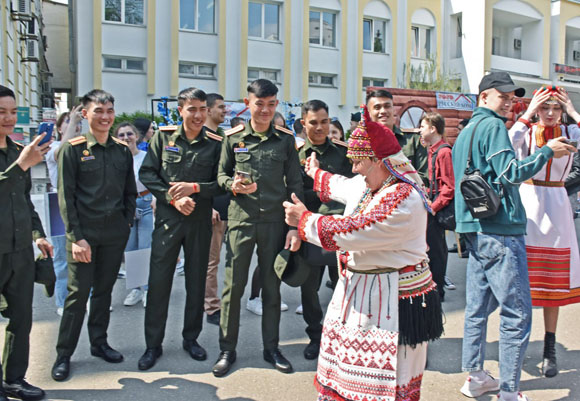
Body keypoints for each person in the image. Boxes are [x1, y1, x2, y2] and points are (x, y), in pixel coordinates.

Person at [284, 105, 443, 401]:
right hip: (367, 293)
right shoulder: (377, 183)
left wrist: (304, 219)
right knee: (350, 373)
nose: (354, 168)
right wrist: (317, 173)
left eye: (359, 162)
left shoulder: (402, 199)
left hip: (392, 301)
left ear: (379, 160)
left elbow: (355, 230)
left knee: (386, 381)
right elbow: (345, 185)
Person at [452, 72, 575, 401]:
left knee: (477, 308)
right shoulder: (493, 127)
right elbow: (511, 173)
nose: (508, 101)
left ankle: (476, 376)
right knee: (517, 313)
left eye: (511, 97)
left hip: (474, 228)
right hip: (500, 229)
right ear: (483, 97)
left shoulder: (466, 131)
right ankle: (509, 391)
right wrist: (547, 151)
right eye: (501, 95)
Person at [213, 79, 303, 377]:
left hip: (275, 224)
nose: (265, 110)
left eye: (271, 104)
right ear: (247, 102)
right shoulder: (233, 138)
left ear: (276, 104)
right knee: (233, 288)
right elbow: (221, 177)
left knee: (271, 288)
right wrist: (233, 185)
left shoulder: (285, 140)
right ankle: (227, 349)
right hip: (241, 221)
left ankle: (271, 348)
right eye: (259, 104)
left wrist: (294, 226)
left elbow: (295, 184)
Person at [51, 89, 137, 382]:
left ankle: (99, 343)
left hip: (113, 234)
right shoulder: (73, 149)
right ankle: (64, 354)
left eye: (109, 111)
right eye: (98, 111)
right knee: (77, 296)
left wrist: (125, 225)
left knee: (103, 293)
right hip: (83, 237)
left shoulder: (121, 150)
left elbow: (129, 192)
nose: (105, 117)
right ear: (85, 114)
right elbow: (67, 197)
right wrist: (76, 238)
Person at [137, 87, 223, 370]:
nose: (198, 115)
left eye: (202, 109)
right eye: (192, 109)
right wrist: (173, 197)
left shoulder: (215, 142)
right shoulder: (163, 138)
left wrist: (196, 189)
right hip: (167, 221)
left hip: (199, 222)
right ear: (180, 110)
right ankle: (153, 345)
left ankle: (191, 338)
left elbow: (222, 182)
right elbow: (147, 173)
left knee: (196, 282)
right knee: (159, 282)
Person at [508, 85, 580, 378]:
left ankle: (549, 348)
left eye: (556, 108)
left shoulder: (571, 132)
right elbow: (510, 144)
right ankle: (519, 344)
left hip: (558, 208)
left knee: (554, 287)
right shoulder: (526, 131)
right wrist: (526, 113)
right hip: (530, 205)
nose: (550, 114)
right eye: (544, 108)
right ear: (537, 109)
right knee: (521, 285)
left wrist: (575, 112)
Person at [0, 85, 53, 401]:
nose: (8, 119)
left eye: (12, 112)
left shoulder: (17, 150)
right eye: (0, 113)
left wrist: (39, 234)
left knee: (21, 318)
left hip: (19, 251)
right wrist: (20, 164)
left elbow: (24, 201)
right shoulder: (20, 158)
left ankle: (14, 380)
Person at [295, 100, 353, 360]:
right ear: (303, 123)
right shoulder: (294, 154)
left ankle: (340, 336)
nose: (320, 128)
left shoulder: (343, 152)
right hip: (309, 228)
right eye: (313, 122)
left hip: (340, 232)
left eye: (324, 121)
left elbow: (355, 191)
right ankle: (316, 336)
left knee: (346, 287)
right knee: (309, 289)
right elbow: (293, 192)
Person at [246, 111, 290, 317]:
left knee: (275, 260)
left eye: (283, 126)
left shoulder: (287, 144)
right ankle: (255, 298)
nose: (279, 130)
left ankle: (270, 296)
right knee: (263, 261)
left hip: (281, 211)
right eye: (277, 126)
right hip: (260, 212)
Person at [45, 107, 83, 316]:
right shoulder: (54, 147)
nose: (75, 124)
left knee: (87, 255)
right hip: (58, 204)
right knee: (61, 257)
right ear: (59, 128)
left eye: (77, 122)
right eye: (68, 122)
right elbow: (61, 153)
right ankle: (62, 301)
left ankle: (86, 298)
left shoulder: (83, 147)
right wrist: (73, 121)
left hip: (82, 204)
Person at [114, 122, 154, 308]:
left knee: (144, 248)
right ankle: (136, 289)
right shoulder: (115, 159)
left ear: (137, 136)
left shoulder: (146, 157)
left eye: (129, 134)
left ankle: (147, 289)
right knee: (130, 250)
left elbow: (156, 179)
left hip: (145, 203)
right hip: (124, 207)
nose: (126, 138)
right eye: (121, 135)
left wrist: (155, 199)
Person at [419, 112, 454, 302]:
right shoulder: (433, 150)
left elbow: (449, 186)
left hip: (437, 208)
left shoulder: (444, 152)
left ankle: (438, 290)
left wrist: (434, 206)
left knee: (437, 251)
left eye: (423, 127)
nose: (420, 130)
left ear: (433, 129)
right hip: (432, 204)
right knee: (432, 249)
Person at [366, 89, 429, 186]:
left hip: (405, 198)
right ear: (369, 112)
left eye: (387, 106)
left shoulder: (413, 140)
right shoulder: (362, 143)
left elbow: (423, 177)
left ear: (393, 109)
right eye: (377, 107)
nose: (383, 111)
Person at [204, 93, 228, 325]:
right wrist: (208, 206)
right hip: (213, 210)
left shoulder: (223, 137)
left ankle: (224, 303)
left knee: (229, 260)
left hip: (229, 207)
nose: (224, 111)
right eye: (220, 107)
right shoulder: (203, 138)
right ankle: (211, 306)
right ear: (208, 110)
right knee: (212, 261)